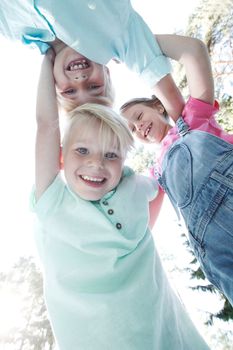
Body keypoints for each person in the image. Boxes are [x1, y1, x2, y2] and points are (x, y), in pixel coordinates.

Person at [30, 50, 211, 350]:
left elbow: (172, 156)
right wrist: (47, 60)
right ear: (61, 157)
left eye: (111, 155)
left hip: (168, 335)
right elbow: (45, 125)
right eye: (82, 151)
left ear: (125, 160)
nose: (96, 164)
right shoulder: (52, 201)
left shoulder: (136, 186)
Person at [120, 34, 233, 306]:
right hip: (220, 256)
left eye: (137, 117)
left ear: (157, 105)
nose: (138, 128)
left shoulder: (192, 118)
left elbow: (194, 51)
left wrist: (131, 42)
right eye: (132, 131)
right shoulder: (156, 175)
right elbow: (141, 227)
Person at [0, 0, 184, 115]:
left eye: (69, 92)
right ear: (107, 73)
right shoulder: (113, 32)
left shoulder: (11, 30)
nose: (80, 80)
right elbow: (151, 71)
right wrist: (186, 126)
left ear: (52, 84)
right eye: (94, 87)